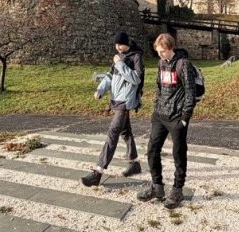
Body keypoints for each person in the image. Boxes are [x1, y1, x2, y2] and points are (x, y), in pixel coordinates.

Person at [137, 33, 196, 209]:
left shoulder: (183, 64)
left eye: (163, 51)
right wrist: (156, 108)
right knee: (152, 150)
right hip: (160, 116)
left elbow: (190, 94)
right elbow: (158, 86)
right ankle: (157, 187)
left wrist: (185, 119)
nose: (160, 54)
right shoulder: (161, 63)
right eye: (158, 51)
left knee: (179, 154)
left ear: (171, 48)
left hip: (177, 118)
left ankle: (177, 190)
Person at [81, 31, 144, 186]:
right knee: (125, 131)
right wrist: (100, 90)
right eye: (115, 44)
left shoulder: (136, 57)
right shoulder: (118, 58)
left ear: (127, 43)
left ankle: (98, 172)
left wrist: (120, 64)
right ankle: (134, 163)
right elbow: (109, 76)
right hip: (116, 100)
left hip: (125, 101)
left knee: (113, 133)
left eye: (120, 44)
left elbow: (136, 79)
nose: (117, 47)